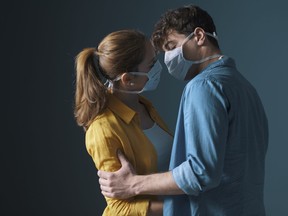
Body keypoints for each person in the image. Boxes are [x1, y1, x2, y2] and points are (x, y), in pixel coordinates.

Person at [98, 5, 269, 216]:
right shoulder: (243, 86)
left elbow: (201, 172)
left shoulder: (203, 87)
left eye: (172, 46)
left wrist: (133, 184)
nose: (168, 59)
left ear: (198, 36)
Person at [74, 29, 173, 215]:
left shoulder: (144, 106)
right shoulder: (103, 130)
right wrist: (184, 209)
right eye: (151, 64)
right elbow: (120, 209)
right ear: (128, 80)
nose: (159, 67)